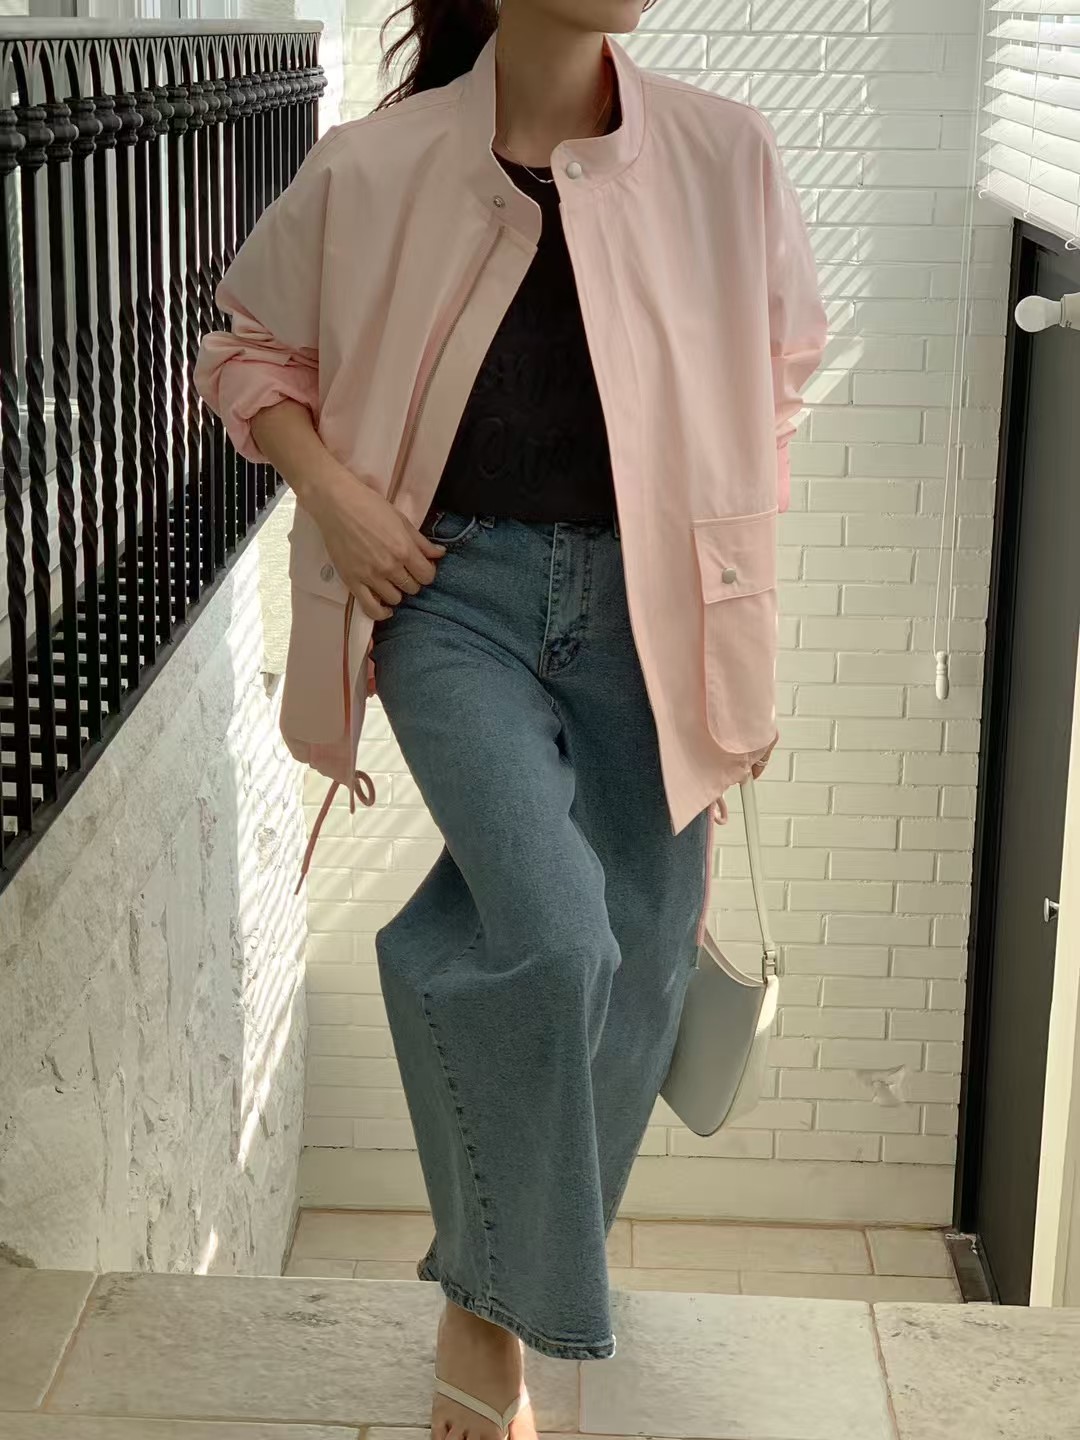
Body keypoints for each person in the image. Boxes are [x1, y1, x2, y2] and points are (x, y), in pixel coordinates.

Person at [196, 1, 826, 1435]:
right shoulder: (376, 166)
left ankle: (491, 1277)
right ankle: (491, 1320)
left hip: (653, 615)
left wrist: (727, 628)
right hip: (451, 595)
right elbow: (246, 356)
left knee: (641, 965)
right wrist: (338, 499)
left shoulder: (727, 156)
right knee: (557, 934)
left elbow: (775, 386)